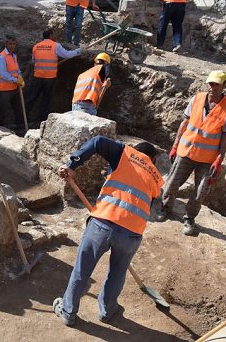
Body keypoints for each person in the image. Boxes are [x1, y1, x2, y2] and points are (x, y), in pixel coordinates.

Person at [52, 136, 164, 326]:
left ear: (136, 150)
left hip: (103, 223)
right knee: (117, 273)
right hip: (131, 234)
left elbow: (97, 142)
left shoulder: (126, 153)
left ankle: (68, 311)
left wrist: (72, 165)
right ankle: (107, 310)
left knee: (82, 269)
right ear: (152, 161)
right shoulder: (156, 177)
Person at [156, 71, 226, 236]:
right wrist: (175, 145)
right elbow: (184, 123)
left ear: (224, 86)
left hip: (207, 159)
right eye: (211, 84)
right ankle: (165, 207)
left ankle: (189, 218)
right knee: (171, 183)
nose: (212, 88)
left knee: (200, 192)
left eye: (217, 85)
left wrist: (219, 159)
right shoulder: (197, 98)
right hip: (186, 151)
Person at [24, 29, 81, 125]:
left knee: (32, 97)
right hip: (49, 78)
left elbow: (34, 61)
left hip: (37, 76)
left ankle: (23, 117)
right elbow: (67, 55)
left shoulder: (36, 46)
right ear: (50, 35)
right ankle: (41, 120)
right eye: (53, 35)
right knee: (46, 99)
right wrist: (77, 51)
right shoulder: (55, 45)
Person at [0, 35, 25, 129]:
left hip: (14, 87)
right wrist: (16, 80)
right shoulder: (2, 57)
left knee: (18, 108)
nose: (12, 46)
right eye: (10, 44)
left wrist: (20, 77)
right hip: (5, 89)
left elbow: (17, 70)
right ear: (6, 44)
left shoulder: (14, 56)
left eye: (14, 44)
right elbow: (3, 74)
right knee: (2, 110)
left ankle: (21, 127)